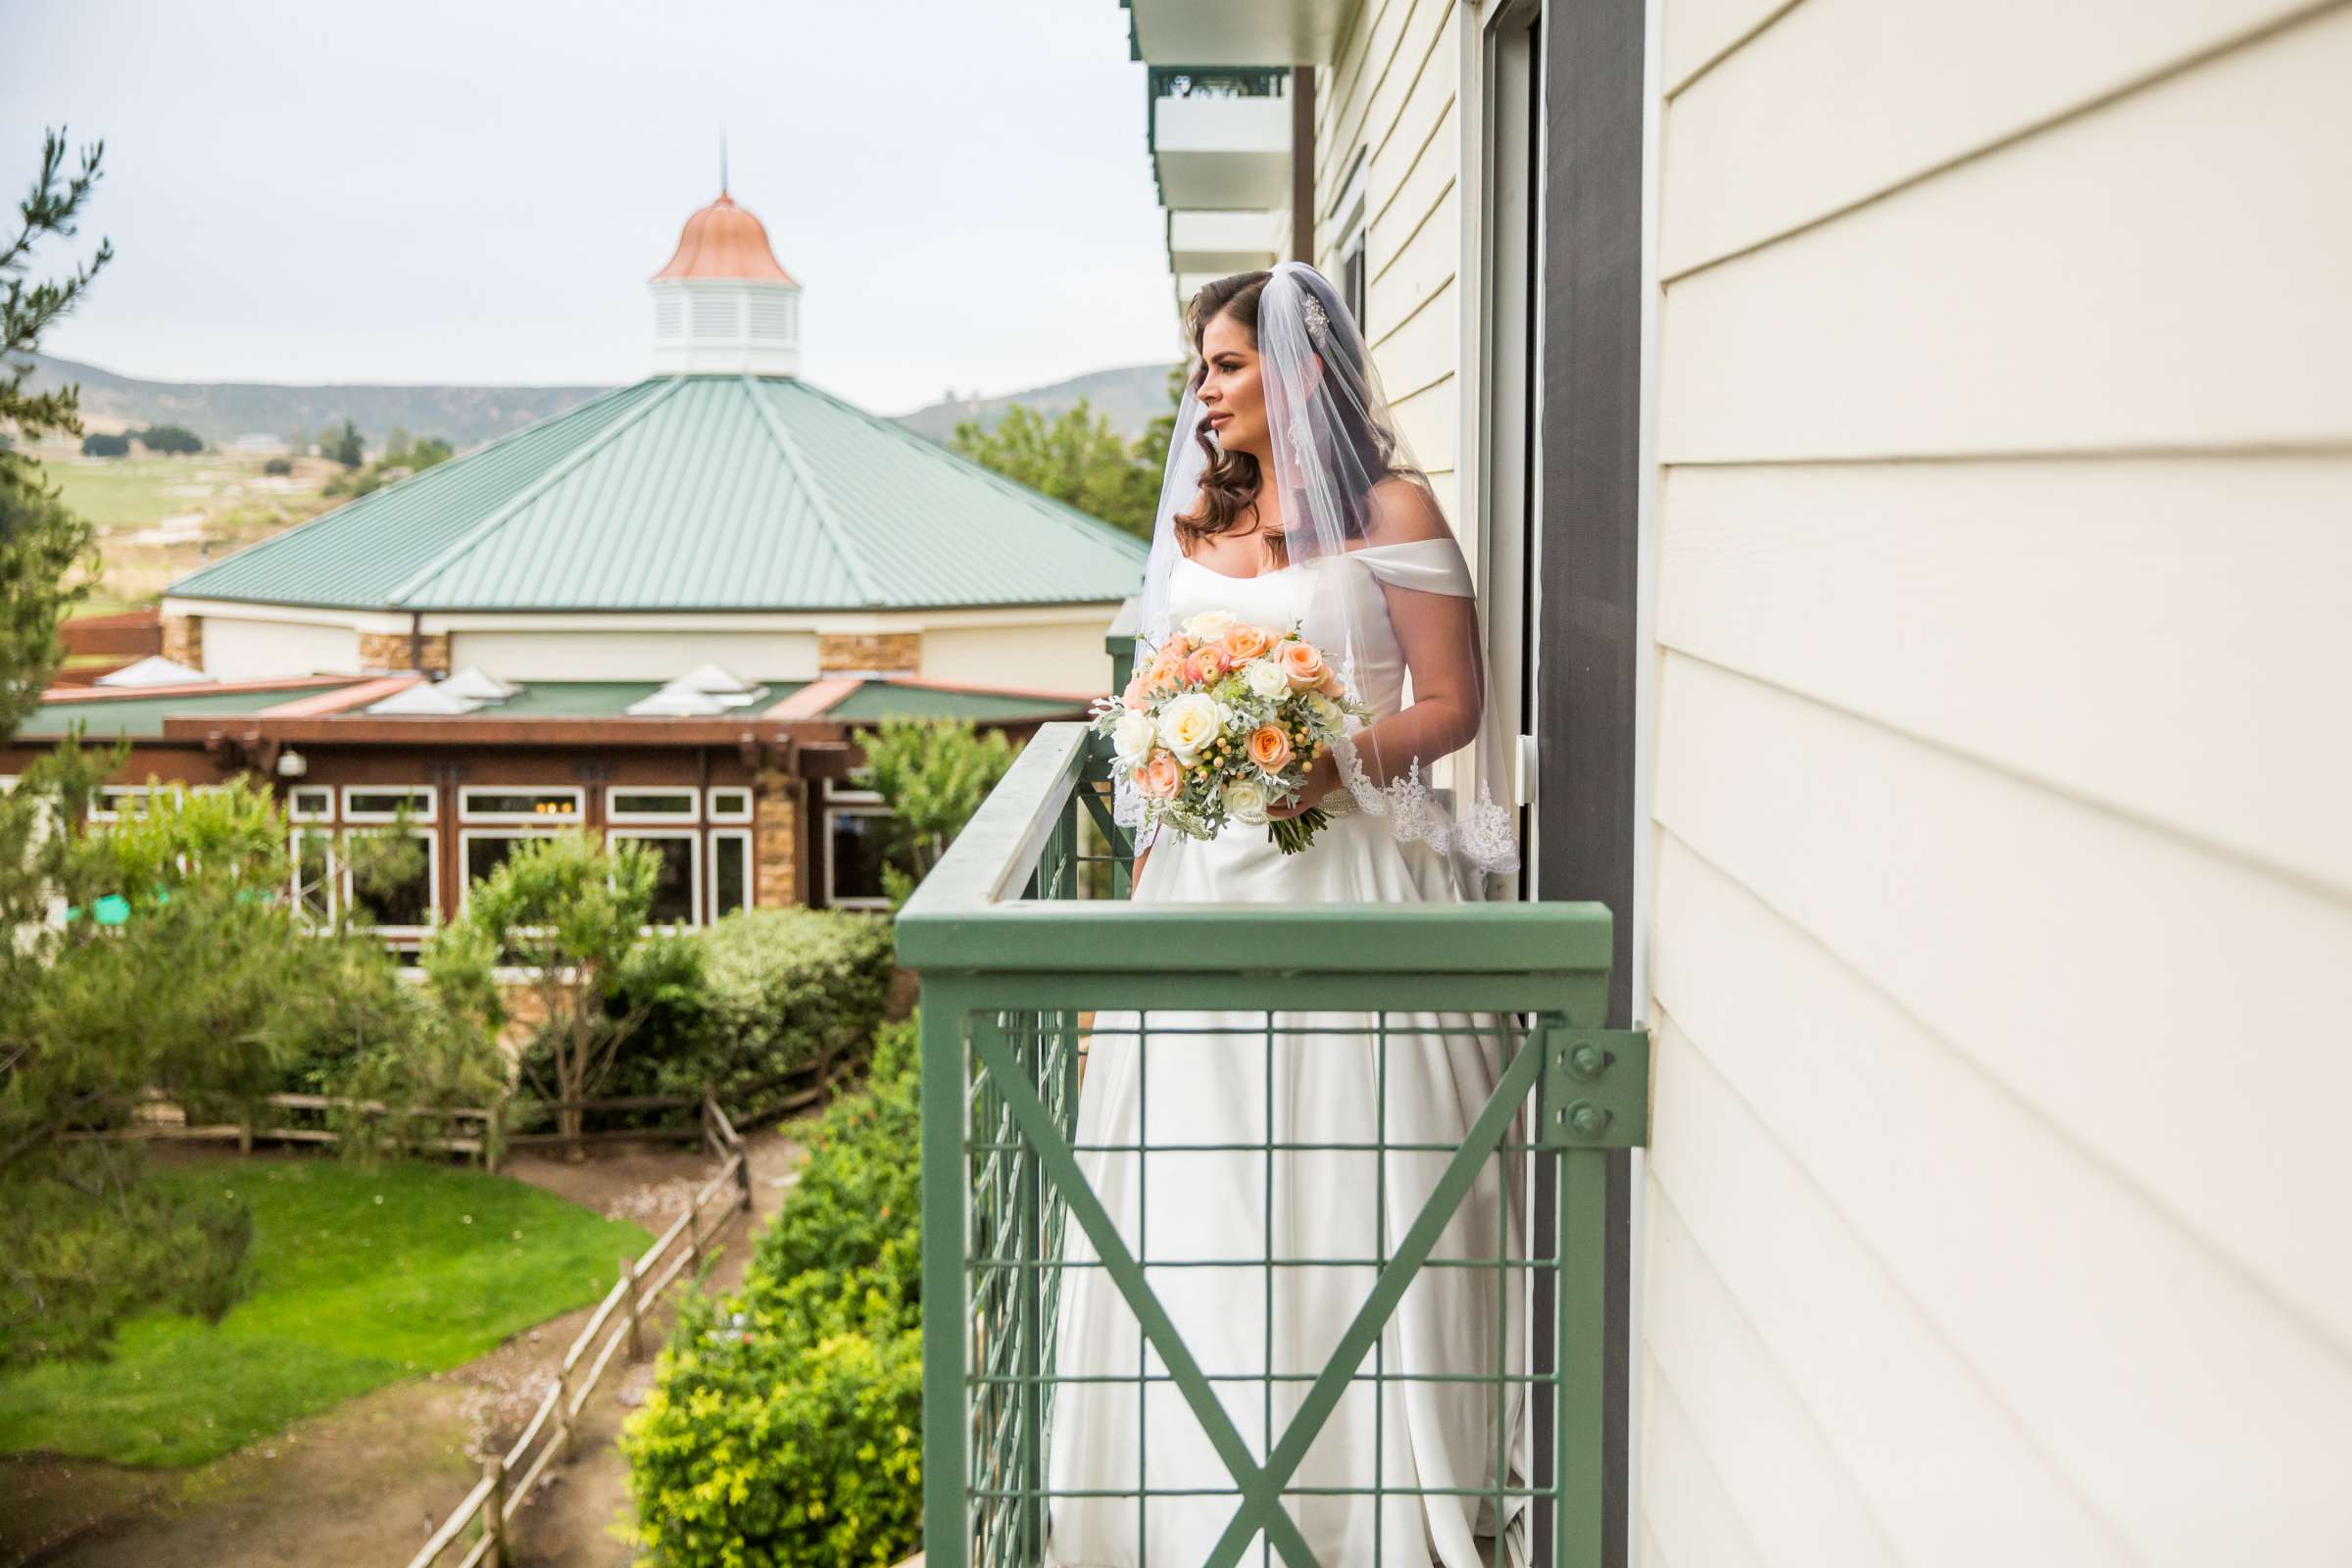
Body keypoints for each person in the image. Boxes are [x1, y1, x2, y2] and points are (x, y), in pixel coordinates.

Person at [1042, 263, 1530, 1567]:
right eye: (1200, 367)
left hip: (1350, 874)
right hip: (1206, 889)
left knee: (1357, 1190)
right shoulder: (1204, 523)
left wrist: (1339, 758)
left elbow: (1454, 703)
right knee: (1200, 1207)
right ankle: (1205, 1503)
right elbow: (1151, 719)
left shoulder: (1391, 509)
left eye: (1224, 364)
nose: (1202, 391)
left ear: (1294, 368)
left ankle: (1369, 1508)